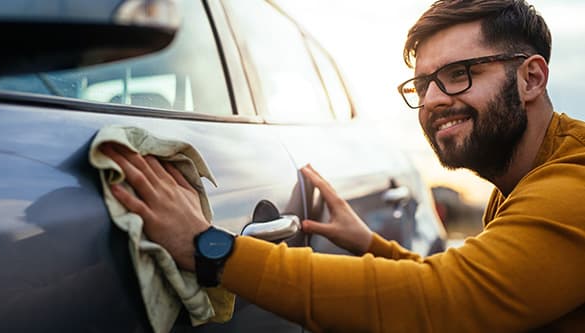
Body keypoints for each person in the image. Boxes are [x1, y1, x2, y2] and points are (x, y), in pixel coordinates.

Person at [100, 0, 585, 331]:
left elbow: (448, 304)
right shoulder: (523, 179)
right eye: (423, 85)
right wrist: (370, 245)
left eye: (459, 75)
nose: (435, 100)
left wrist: (212, 251)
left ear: (531, 77)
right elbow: (487, 292)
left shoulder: (573, 185)